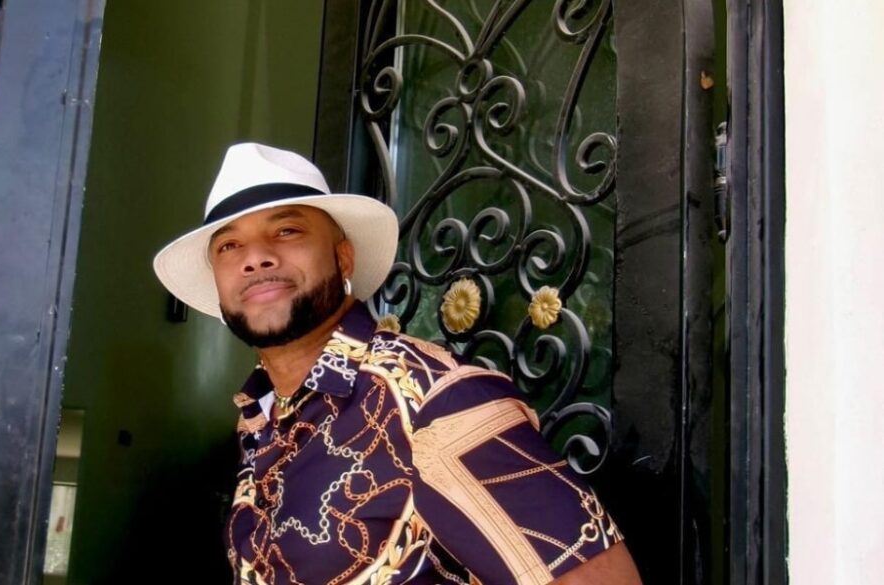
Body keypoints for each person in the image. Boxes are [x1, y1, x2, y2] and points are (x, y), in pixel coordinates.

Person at [154, 143, 642, 584]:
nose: (255, 257)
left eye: (287, 229)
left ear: (344, 259)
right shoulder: (261, 417)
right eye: (229, 245)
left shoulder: (431, 399)